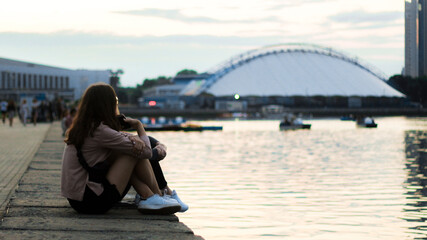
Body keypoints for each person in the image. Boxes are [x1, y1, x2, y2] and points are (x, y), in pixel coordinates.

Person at [61, 82, 182, 215]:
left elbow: (121, 138)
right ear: (108, 105)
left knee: (126, 150)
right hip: (92, 201)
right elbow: (146, 152)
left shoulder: (86, 127)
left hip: (78, 199)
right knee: (133, 153)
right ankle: (156, 196)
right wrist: (139, 126)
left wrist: (133, 139)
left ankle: (150, 196)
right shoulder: (100, 130)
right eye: (116, 101)